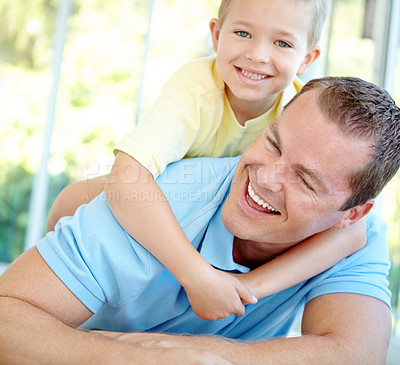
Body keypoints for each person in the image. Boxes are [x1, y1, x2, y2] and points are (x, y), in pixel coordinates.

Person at [1, 76, 399, 363]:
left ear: (352, 213)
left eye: (305, 180)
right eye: (273, 143)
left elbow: (355, 353)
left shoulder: (355, 234)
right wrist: (144, 360)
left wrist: (207, 358)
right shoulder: (163, 203)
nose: (267, 176)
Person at [45, 0, 367, 321]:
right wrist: (197, 276)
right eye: (242, 32)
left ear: (306, 59)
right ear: (216, 35)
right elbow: (125, 180)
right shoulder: (194, 92)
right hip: (132, 202)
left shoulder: (298, 111)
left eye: (282, 42)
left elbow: (353, 233)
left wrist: (247, 285)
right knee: (77, 221)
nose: (257, 54)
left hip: (201, 220)